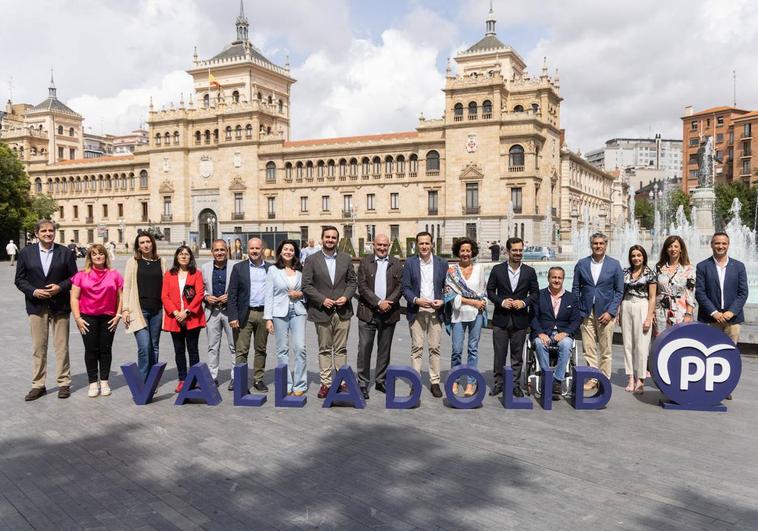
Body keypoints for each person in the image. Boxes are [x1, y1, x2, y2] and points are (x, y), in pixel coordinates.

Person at [14, 220, 79, 400]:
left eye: (51, 230)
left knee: (62, 347)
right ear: (37, 234)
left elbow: (75, 277)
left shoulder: (65, 252)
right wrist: (33, 291)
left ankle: (64, 383)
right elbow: (19, 280)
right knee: (38, 348)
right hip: (36, 306)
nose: (48, 233)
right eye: (44, 231)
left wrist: (60, 287)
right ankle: (38, 385)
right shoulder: (26, 253)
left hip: (60, 306)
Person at [302, 226, 357, 399]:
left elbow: (352, 282)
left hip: (342, 310)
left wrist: (346, 297)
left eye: (333, 237)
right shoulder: (311, 260)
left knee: (341, 349)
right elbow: (306, 285)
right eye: (327, 237)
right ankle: (326, 384)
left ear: (337, 240)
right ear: (322, 238)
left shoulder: (346, 258)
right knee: (324, 349)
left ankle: (341, 382)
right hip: (322, 311)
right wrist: (322, 299)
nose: (330, 240)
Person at [696, 232, 748, 400]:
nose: (720, 246)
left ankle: (726, 387)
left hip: (733, 319)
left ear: (728, 245)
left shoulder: (739, 266)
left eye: (724, 243)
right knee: (708, 353)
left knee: (729, 354)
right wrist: (715, 312)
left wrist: (731, 311)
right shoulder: (703, 266)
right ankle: (707, 384)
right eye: (717, 243)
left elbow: (743, 293)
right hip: (711, 318)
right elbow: (700, 293)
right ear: (711, 245)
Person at [486, 237, 539, 397]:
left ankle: (515, 385)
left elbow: (535, 293)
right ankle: (499, 384)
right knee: (499, 355)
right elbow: (489, 291)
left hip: (520, 319)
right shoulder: (497, 270)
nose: (518, 253)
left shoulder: (530, 271)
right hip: (501, 318)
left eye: (520, 250)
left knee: (517, 356)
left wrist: (523, 303)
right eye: (514, 250)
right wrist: (501, 302)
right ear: (508, 251)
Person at [572, 232, 624, 392]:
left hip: (606, 313)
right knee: (588, 348)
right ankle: (593, 378)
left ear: (606, 245)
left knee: (606, 349)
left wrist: (611, 312)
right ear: (591, 245)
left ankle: (605, 379)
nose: (598, 246)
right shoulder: (582, 264)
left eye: (601, 243)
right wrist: (578, 309)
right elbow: (575, 288)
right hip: (586, 312)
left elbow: (619, 291)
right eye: (595, 243)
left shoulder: (614, 265)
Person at [70, 244, 123, 397]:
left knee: (105, 350)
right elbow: (74, 297)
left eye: (101, 254)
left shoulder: (114, 274)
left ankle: (105, 381)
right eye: (94, 254)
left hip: (108, 318)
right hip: (87, 318)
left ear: (106, 256)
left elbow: (121, 296)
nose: (98, 256)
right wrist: (77, 318)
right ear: (90, 257)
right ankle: (93, 382)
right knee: (91, 350)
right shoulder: (81, 275)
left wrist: (118, 315)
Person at [356, 234, 403, 399]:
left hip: (389, 312)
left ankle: (381, 380)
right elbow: (361, 286)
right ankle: (362, 383)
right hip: (368, 312)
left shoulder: (396, 263)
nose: (382, 248)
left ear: (389, 245)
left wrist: (388, 302)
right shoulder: (365, 262)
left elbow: (400, 286)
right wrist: (377, 302)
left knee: (384, 349)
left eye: (385, 245)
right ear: (373, 245)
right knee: (364, 349)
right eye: (379, 245)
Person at [402, 231, 448, 397]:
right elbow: (405, 287)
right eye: (421, 243)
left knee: (435, 348)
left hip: (435, 310)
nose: (424, 246)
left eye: (427, 243)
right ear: (417, 245)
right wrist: (415, 300)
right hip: (417, 310)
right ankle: (415, 381)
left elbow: (447, 287)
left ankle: (434, 382)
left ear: (432, 244)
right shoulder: (410, 263)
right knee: (417, 348)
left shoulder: (442, 263)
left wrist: (442, 300)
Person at [530, 267, 582, 400]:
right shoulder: (539, 295)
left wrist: (565, 333)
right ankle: (547, 378)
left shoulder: (572, 298)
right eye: (554, 277)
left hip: (563, 333)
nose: (556, 280)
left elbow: (576, 320)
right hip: (543, 332)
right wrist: (540, 333)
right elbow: (532, 317)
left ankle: (557, 381)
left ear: (563, 279)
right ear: (548, 278)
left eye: (559, 278)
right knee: (539, 343)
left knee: (566, 344)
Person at [264, 239, 307, 395]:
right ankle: (287, 383)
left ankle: (300, 384)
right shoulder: (273, 270)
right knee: (282, 349)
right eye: (285, 249)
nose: (288, 252)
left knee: (300, 347)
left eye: (291, 249)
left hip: (298, 312)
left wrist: (300, 293)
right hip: (279, 313)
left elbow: (308, 289)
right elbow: (268, 295)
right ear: (280, 252)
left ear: (295, 252)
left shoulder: (301, 270)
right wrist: (268, 318)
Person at [445, 237, 487, 397]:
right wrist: (473, 302)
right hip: (458, 315)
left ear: (472, 252)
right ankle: (454, 380)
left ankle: (471, 383)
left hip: (476, 314)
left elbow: (483, 292)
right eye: (462, 250)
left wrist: (480, 303)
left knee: (473, 349)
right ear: (458, 252)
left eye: (468, 250)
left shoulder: (480, 268)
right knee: (456, 350)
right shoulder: (451, 270)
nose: (465, 253)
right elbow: (449, 295)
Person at [161, 246, 206, 393]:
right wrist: (175, 312)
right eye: (181, 254)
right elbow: (164, 296)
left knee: (193, 350)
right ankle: (182, 379)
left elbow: (199, 294)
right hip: (175, 318)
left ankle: (195, 378)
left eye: (186, 254)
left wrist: (186, 312)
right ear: (176, 257)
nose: (184, 256)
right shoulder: (169, 274)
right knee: (179, 350)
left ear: (190, 257)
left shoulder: (196, 274)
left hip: (192, 317)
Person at [228, 238, 271, 392]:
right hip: (243, 315)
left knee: (261, 349)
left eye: (257, 248)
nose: (254, 251)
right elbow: (232, 294)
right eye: (251, 248)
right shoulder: (239, 268)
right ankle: (240, 381)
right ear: (248, 250)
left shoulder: (270, 269)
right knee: (242, 350)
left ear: (262, 250)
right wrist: (232, 317)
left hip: (263, 314)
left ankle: (258, 379)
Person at [123, 232, 166, 382]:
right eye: (142, 243)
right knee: (144, 347)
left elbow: (167, 285)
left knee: (154, 346)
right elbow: (126, 287)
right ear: (138, 246)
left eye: (148, 241)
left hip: (158, 310)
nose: (146, 245)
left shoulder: (162, 261)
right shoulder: (133, 262)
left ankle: (152, 381)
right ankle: (142, 381)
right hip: (139, 309)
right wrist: (125, 309)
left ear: (153, 243)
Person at [620, 245, 657, 394]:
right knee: (627, 344)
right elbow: (621, 292)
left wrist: (649, 317)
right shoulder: (625, 273)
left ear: (643, 257)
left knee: (642, 345)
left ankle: (640, 380)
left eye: (639, 255)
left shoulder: (650, 273)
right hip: (627, 305)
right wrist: (618, 311)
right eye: (633, 255)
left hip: (642, 305)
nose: (636, 258)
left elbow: (653, 297)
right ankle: (630, 377)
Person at [201, 239, 236, 387]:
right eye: (216, 250)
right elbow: (200, 288)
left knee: (234, 346)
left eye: (222, 250)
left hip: (230, 312)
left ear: (227, 251)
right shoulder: (205, 267)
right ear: (212, 252)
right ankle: (212, 376)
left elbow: (242, 287)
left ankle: (236, 377)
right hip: (212, 312)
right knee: (212, 346)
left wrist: (231, 296)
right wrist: (206, 296)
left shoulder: (236, 266)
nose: (219, 253)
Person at [654, 235, 695, 334]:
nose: (673, 249)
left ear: (681, 249)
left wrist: (688, 314)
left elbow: (690, 294)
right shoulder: (659, 267)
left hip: (681, 311)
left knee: (680, 340)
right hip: (661, 310)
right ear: (666, 249)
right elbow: (654, 291)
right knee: (661, 341)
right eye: (670, 246)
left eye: (676, 246)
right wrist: (652, 311)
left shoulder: (688, 269)